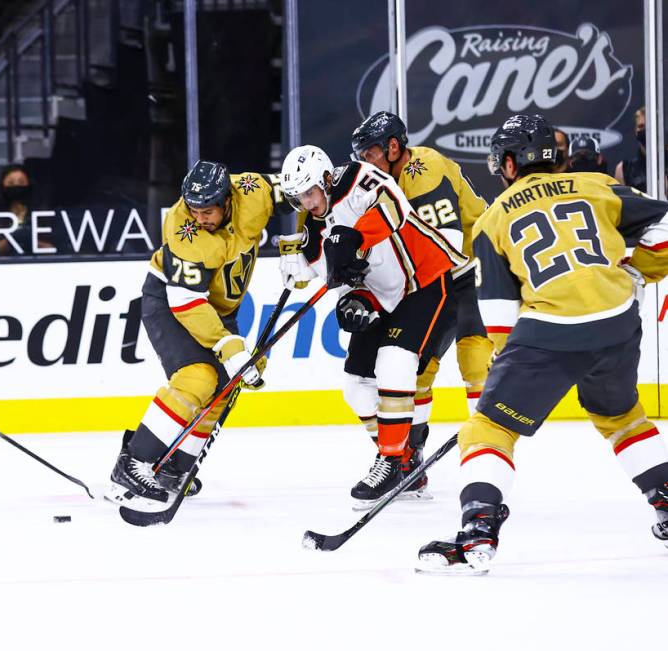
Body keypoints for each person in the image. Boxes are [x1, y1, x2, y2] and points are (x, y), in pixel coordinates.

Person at [417, 114, 668, 575]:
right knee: (620, 416)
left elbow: (498, 317)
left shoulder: (494, 216)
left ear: (510, 164)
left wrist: (502, 370)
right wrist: (636, 267)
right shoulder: (595, 185)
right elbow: (665, 226)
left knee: (488, 429)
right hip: (617, 320)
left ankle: (477, 530)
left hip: (550, 331)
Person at [278, 144, 464, 508]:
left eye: (310, 192)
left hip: (428, 279)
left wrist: (356, 236)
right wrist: (354, 301)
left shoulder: (357, 178)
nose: (307, 203)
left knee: (394, 361)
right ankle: (406, 460)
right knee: (355, 384)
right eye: (298, 198)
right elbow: (346, 280)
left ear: (327, 179)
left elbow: (394, 206)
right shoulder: (315, 236)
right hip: (388, 298)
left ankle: (391, 461)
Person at [105, 161, 277, 512]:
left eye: (208, 211)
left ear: (228, 200)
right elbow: (187, 302)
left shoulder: (253, 191)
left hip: (218, 309)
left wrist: (302, 245)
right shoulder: (183, 231)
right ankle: (133, 462)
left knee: (225, 387)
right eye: (195, 210)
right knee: (198, 377)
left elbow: (299, 192)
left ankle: (174, 467)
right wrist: (230, 346)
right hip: (170, 303)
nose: (200, 218)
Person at [347, 111, 493, 506]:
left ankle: (490, 458)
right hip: (427, 279)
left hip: (464, 270)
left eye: (371, 152)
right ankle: (410, 459)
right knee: (416, 371)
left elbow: (444, 244)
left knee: (475, 361)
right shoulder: (378, 182)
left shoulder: (423, 169)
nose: (364, 161)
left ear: (395, 147)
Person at [615, 107, 667, 195]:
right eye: (641, 126)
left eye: (650, 125)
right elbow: (620, 205)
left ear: (658, 128)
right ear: (636, 131)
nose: (645, 130)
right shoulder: (624, 169)